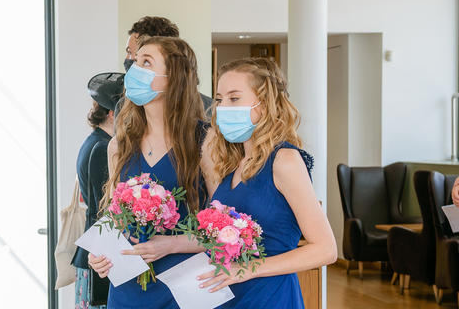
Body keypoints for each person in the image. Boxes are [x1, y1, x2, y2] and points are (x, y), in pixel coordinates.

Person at [197, 57, 337, 308]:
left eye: (234, 98)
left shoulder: (285, 160)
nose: (223, 108)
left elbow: (325, 249)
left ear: (264, 104)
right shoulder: (232, 163)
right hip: (228, 297)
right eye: (219, 99)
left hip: (268, 297)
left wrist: (249, 269)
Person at [89, 36, 210, 309]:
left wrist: (170, 244)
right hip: (127, 287)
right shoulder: (119, 145)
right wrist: (100, 252)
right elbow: (114, 215)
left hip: (184, 287)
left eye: (146, 62)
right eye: (134, 62)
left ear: (174, 77)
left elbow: (224, 229)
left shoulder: (206, 142)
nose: (133, 70)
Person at [71, 72, 124, 309]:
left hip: (94, 252)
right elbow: (103, 209)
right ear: (113, 113)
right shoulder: (103, 147)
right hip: (97, 255)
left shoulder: (95, 141)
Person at [116, 16, 213, 118]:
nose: (128, 59)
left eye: (146, 61)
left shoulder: (209, 110)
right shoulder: (124, 108)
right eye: (136, 59)